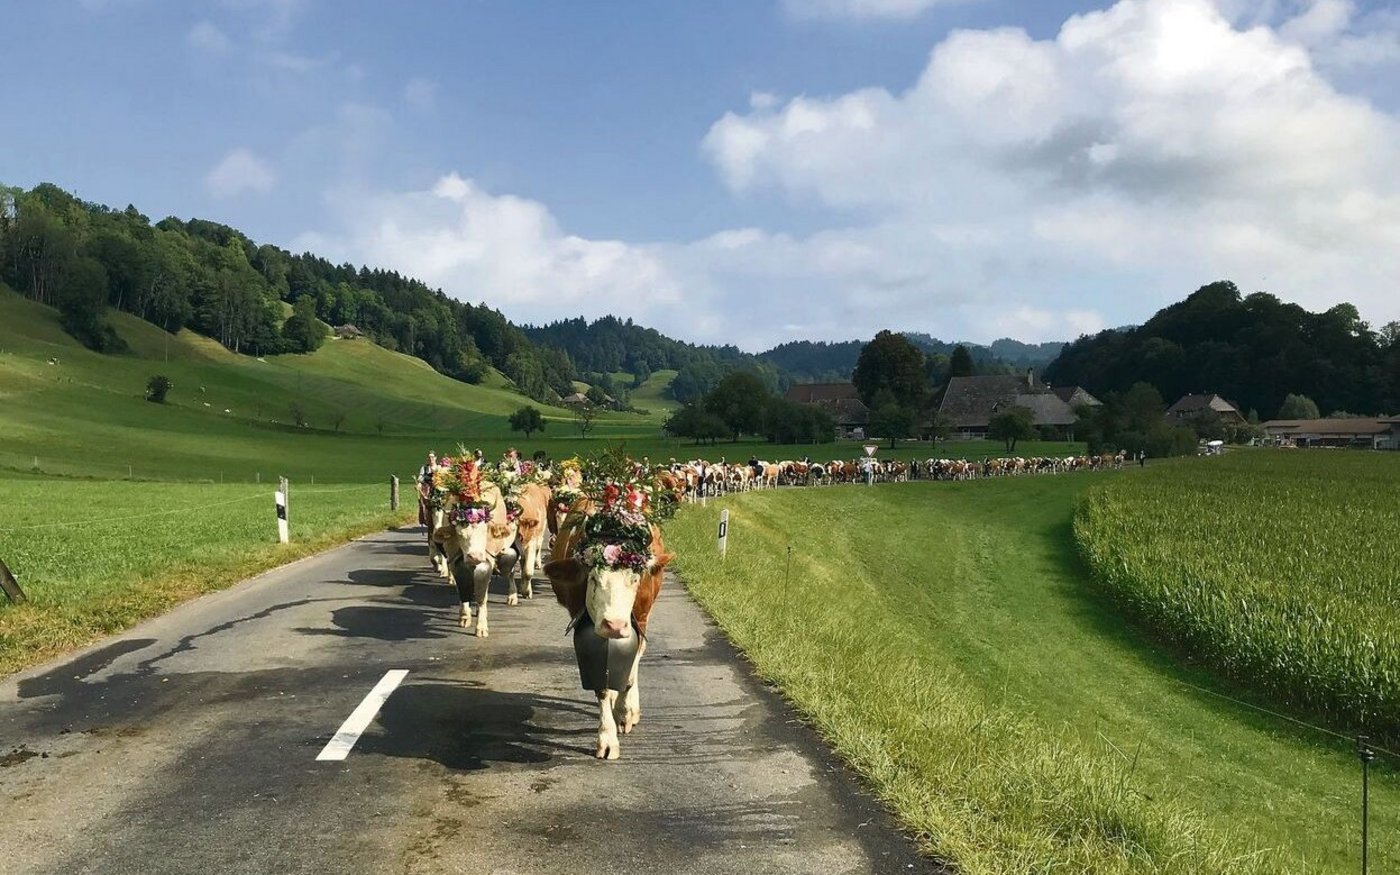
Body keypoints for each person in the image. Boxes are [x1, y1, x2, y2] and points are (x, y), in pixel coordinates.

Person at [417, 452, 437, 527]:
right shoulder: (424, 468)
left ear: (435, 458)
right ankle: (426, 519)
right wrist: (419, 483)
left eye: (432, 457)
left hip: (437, 488)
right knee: (424, 504)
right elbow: (420, 477)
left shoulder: (438, 467)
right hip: (427, 488)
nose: (430, 459)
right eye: (429, 457)